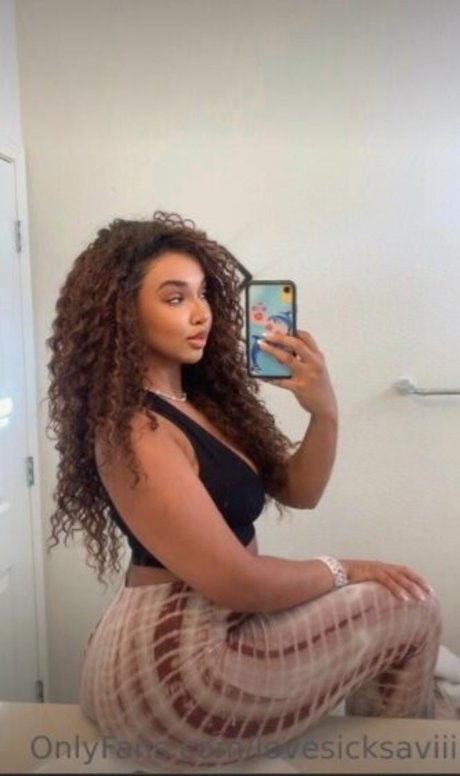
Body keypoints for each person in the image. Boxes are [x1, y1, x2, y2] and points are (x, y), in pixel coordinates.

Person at [47, 211, 441, 773]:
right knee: (414, 605)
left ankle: (402, 742)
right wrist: (345, 569)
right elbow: (239, 582)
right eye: (175, 298)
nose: (201, 312)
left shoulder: (197, 406)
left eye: (204, 294)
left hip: (205, 636)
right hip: (174, 674)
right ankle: (405, 759)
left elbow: (300, 490)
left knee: (396, 602)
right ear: (123, 314)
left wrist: (324, 410)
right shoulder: (138, 429)